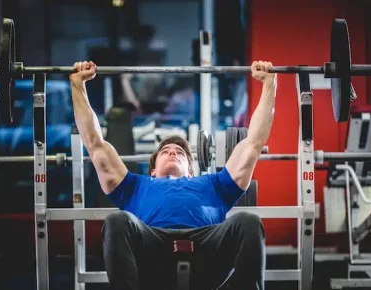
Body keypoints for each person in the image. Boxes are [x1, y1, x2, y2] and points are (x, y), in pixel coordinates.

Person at [69, 60, 276, 290]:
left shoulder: (215, 184)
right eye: (165, 151)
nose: (172, 152)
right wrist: (78, 86)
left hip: (207, 249)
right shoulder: (134, 186)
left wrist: (269, 85)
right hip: (151, 250)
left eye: (180, 152)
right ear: (153, 170)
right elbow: (95, 144)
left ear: (191, 169)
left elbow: (253, 143)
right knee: (117, 221)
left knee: (248, 222)